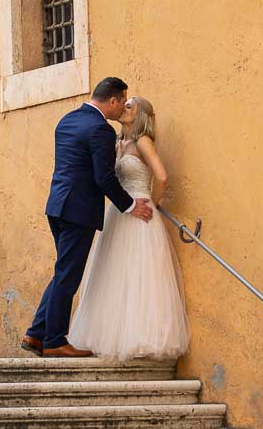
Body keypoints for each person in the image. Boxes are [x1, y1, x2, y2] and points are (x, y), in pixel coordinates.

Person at [21, 77, 153, 358]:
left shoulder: (66, 120)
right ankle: (55, 340)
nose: (121, 112)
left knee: (63, 272)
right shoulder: (100, 130)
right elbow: (103, 178)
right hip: (79, 212)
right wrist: (130, 206)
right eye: (122, 103)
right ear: (113, 100)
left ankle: (35, 334)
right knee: (68, 275)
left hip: (57, 206)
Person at [67, 95, 190, 359]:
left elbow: (162, 176)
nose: (124, 107)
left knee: (139, 275)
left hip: (140, 214)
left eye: (130, 105)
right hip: (118, 215)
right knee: (113, 273)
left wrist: (152, 204)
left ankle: (141, 337)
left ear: (141, 115)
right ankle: (110, 335)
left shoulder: (143, 141)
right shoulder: (115, 143)